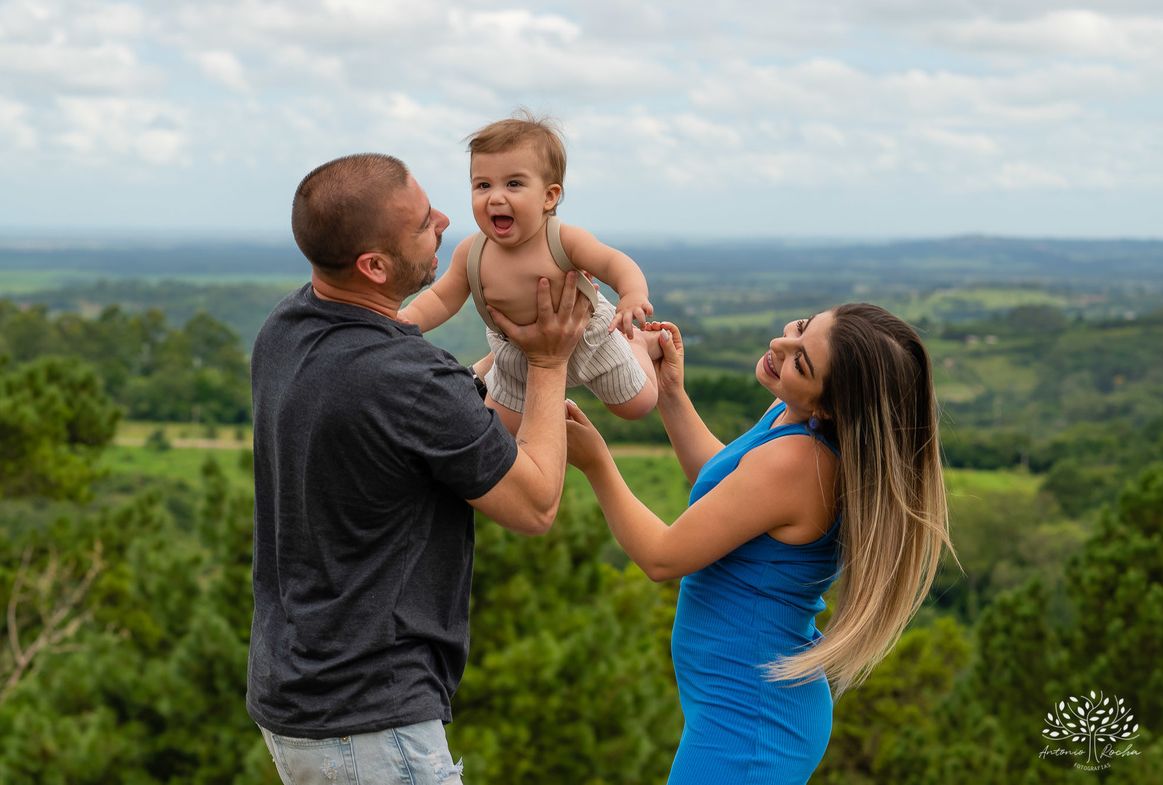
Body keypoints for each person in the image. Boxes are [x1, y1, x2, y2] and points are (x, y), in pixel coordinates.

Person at [247, 152, 590, 784]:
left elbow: (427, 416)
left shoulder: (288, 327)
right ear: (373, 266)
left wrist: (509, 357)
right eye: (421, 223)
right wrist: (546, 364)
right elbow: (535, 504)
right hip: (370, 713)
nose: (444, 220)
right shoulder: (403, 378)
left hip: (297, 689)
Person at [565, 305, 954, 784]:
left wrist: (596, 463)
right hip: (745, 706)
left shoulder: (799, 461)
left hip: (750, 723)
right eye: (803, 327)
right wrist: (671, 394)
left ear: (829, 407)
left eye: (801, 362)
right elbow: (729, 491)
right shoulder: (791, 416)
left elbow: (662, 557)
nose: (781, 345)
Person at [399, 110, 660, 435]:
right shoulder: (472, 251)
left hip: (589, 337)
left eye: (514, 184)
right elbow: (440, 298)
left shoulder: (562, 239)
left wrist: (632, 294)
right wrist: (403, 323)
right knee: (494, 432)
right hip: (515, 353)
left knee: (638, 405)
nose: (495, 196)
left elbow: (613, 263)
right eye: (483, 184)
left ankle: (639, 348)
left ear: (549, 196)